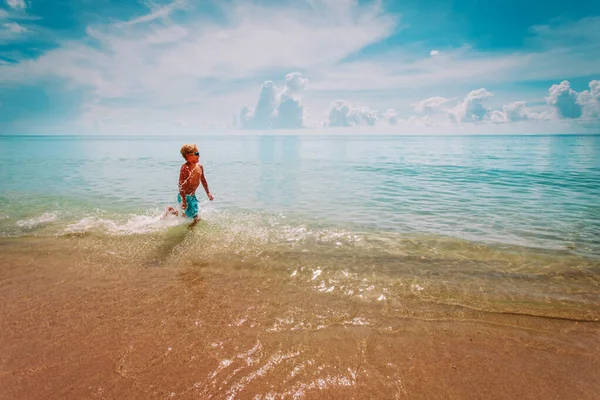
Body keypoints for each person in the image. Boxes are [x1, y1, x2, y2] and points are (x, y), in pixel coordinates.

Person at [164, 143, 214, 227]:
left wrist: (208, 193)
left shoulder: (200, 166)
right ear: (188, 156)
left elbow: (203, 180)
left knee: (187, 216)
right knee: (196, 218)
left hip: (193, 196)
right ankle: (189, 235)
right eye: (197, 154)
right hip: (185, 196)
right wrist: (183, 200)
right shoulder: (185, 168)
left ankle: (171, 210)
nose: (199, 155)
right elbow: (181, 184)